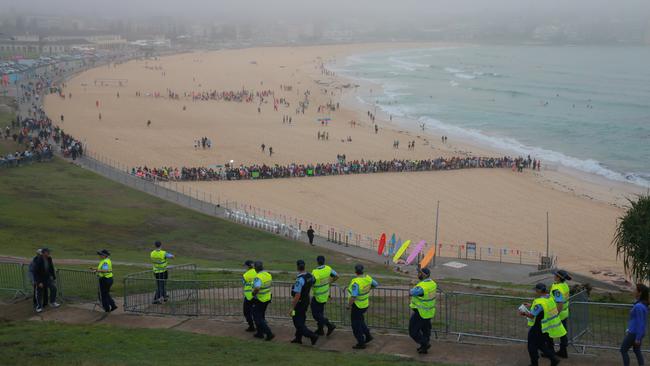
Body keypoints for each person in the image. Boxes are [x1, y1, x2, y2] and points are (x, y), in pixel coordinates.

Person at [519, 283, 564, 366]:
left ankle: (535, 363)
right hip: (546, 327)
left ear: (539, 290)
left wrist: (524, 313)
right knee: (541, 345)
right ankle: (554, 359)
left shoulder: (539, 302)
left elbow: (532, 315)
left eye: (536, 290)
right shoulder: (549, 297)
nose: (535, 291)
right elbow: (544, 307)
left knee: (531, 345)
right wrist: (531, 305)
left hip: (538, 327)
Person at [347, 264, 378, 349]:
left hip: (357, 306)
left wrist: (349, 306)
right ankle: (368, 336)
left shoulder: (356, 282)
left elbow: (353, 296)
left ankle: (361, 343)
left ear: (355, 271)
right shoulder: (368, 278)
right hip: (365, 304)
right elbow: (376, 284)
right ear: (363, 270)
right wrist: (368, 289)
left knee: (355, 325)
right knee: (360, 321)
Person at [409, 267, 437, 354]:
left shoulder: (422, 287)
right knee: (426, 330)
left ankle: (425, 343)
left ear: (423, 275)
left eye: (419, 273)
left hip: (420, 312)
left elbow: (412, 292)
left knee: (413, 331)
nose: (418, 275)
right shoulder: (432, 283)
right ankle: (424, 348)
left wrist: (414, 285)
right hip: (429, 312)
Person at [290, 260, 319, 345]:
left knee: (298, 323)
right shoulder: (310, 275)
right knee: (301, 319)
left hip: (299, 302)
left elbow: (297, 295)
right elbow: (314, 281)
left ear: (297, 267)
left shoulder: (299, 280)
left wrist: (292, 308)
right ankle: (298, 338)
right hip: (306, 300)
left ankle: (312, 336)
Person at [621, 284, 649, 366]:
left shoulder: (639, 306)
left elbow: (641, 322)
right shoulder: (640, 304)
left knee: (623, 350)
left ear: (639, 293)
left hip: (634, 333)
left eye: (635, 290)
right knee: (637, 350)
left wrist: (638, 337)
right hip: (635, 331)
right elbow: (636, 320)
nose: (634, 291)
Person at [311, 255, 338, 336]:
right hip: (325, 295)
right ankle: (320, 330)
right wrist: (330, 282)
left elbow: (312, 282)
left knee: (316, 315)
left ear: (317, 262)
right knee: (320, 313)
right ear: (324, 261)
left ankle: (329, 325)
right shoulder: (328, 268)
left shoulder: (315, 272)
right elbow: (337, 276)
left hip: (317, 297)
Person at [550, 270, 572, 358]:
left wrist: (555, 314)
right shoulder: (564, 285)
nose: (554, 276)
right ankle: (563, 351)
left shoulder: (557, 289)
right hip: (564, 312)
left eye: (555, 275)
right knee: (563, 333)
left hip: (558, 313)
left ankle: (549, 352)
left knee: (549, 332)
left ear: (559, 278)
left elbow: (559, 303)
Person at [32, 248, 60, 312]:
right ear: (44, 253)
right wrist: (39, 282)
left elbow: (51, 268)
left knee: (54, 288)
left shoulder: (49, 259)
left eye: (49, 252)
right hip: (40, 279)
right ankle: (39, 307)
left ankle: (52, 302)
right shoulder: (38, 260)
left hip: (47, 278)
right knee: (39, 293)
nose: (49, 253)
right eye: (48, 252)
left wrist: (53, 277)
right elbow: (35, 272)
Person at [252, 261, 274, 341]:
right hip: (267, 298)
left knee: (258, 317)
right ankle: (260, 333)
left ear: (255, 268)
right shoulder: (268, 274)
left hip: (260, 299)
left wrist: (253, 293)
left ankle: (269, 333)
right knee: (261, 316)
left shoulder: (258, 277)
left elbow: (257, 288)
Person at [242, 260, 257, 332]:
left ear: (248, 266)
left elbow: (244, 283)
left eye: (245, 265)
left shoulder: (245, 275)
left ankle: (251, 326)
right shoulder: (257, 272)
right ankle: (259, 326)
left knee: (247, 312)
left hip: (249, 297)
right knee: (257, 312)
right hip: (258, 296)